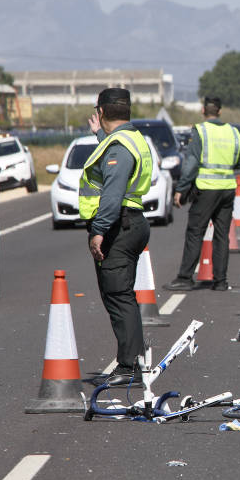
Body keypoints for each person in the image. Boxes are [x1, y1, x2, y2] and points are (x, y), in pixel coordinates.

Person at [81, 88, 152, 386]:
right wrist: (100, 135)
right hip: (131, 222)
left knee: (118, 296)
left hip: (118, 226)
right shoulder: (129, 138)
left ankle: (129, 367)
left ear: (101, 111)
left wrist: (98, 231)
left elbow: (112, 192)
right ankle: (133, 360)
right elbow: (114, 160)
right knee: (122, 296)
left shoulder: (120, 145)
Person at [163, 97, 240, 292]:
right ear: (220, 111)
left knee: (195, 232)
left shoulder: (201, 131)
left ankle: (185, 278)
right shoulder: (234, 132)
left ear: (203, 110)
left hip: (207, 189)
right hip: (227, 189)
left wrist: (181, 189)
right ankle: (220, 281)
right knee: (222, 235)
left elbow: (191, 163)